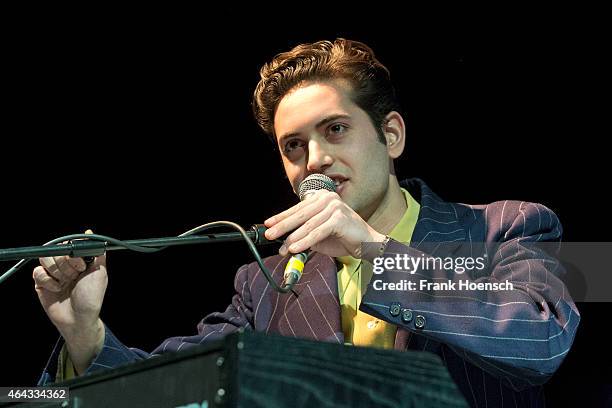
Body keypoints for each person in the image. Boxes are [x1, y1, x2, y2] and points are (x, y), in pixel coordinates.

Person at [33, 39, 580, 406]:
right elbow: (175, 390)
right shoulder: (264, 281)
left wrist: (371, 250)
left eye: (335, 130)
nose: (312, 159)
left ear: (391, 135)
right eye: (293, 145)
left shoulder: (516, 224)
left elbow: (544, 336)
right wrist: (85, 333)